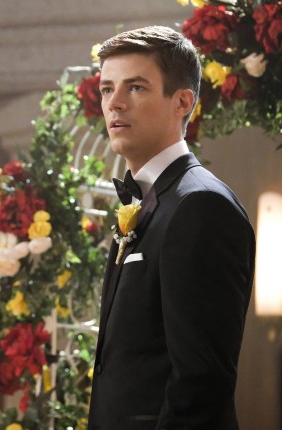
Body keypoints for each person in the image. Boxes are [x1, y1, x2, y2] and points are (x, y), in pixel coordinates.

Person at [88, 26, 255, 430]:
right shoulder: (149, 200)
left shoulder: (201, 206)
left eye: (136, 87)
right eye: (107, 89)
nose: (115, 103)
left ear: (183, 101)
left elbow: (200, 384)